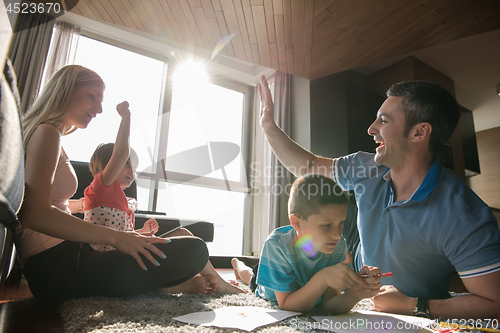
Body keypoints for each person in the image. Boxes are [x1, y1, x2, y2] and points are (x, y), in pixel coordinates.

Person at [258, 75, 500, 319]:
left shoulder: (462, 213)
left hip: (408, 308)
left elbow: (496, 304)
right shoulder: (367, 166)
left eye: (383, 120)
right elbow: (308, 166)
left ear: (419, 132)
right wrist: (268, 126)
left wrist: (415, 305)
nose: (371, 128)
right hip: (358, 259)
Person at [15, 65, 242, 305]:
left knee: (187, 243)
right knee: (194, 250)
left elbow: (49, 202)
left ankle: (165, 285)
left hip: (70, 256)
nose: (100, 109)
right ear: (64, 90)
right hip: (58, 267)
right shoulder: (47, 133)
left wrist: (84, 208)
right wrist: (117, 238)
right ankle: (168, 286)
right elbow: (34, 213)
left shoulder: (50, 137)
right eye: (93, 97)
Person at [233, 174, 382, 314]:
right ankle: (238, 264)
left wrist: (355, 294)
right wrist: (323, 278)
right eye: (327, 225)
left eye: (341, 222)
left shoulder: (338, 246)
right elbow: (287, 305)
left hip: (303, 286)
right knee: (250, 277)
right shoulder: (277, 246)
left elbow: (329, 304)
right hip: (272, 287)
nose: (338, 234)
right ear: (297, 222)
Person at [82, 101, 160, 251]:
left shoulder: (122, 201)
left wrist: (143, 232)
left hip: (120, 251)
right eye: (126, 164)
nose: (132, 171)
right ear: (104, 166)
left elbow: (123, 238)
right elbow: (120, 153)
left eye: (135, 168)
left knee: (184, 234)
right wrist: (126, 117)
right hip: (107, 259)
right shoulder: (101, 187)